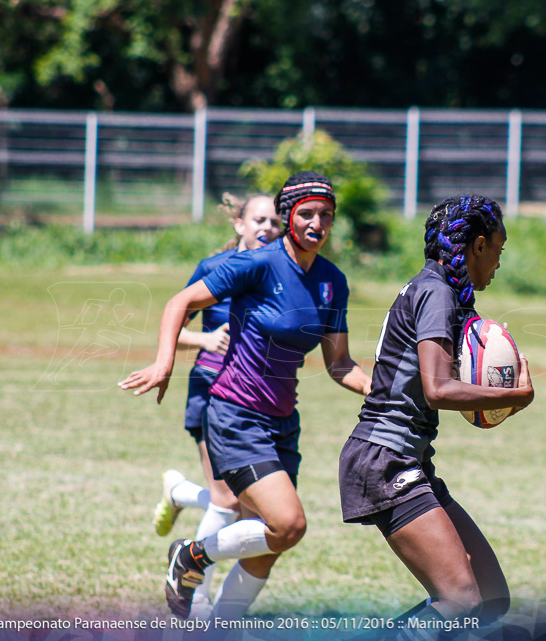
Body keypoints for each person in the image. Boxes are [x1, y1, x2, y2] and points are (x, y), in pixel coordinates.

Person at [120, 172, 371, 619]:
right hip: (236, 414)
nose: (318, 223)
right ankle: (192, 556)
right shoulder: (260, 263)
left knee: (269, 541)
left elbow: (339, 364)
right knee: (289, 524)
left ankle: (219, 627)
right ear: (289, 216)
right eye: (307, 214)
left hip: (282, 422)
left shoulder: (332, 281)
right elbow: (178, 304)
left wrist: (381, 389)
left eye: (326, 215)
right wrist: (164, 363)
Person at [338, 194, 534, 633]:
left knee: (490, 598)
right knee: (461, 599)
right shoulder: (436, 293)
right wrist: (514, 397)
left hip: (407, 460)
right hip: (383, 459)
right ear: (477, 246)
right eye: (498, 251)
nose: (499, 264)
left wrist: (496, 399)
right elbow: (438, 388)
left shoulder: (439, 289)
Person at [149, 193, 280, 618]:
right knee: (227, 504)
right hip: (211, 391)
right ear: (239, 224)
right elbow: (172, 325)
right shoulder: (213, 269)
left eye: (275, 222)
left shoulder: (277, 273)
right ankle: (196, 601)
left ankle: (181, 492)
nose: (268, 228)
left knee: (244, 509)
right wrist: (204, 339)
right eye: (259, 219)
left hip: (254, 400)